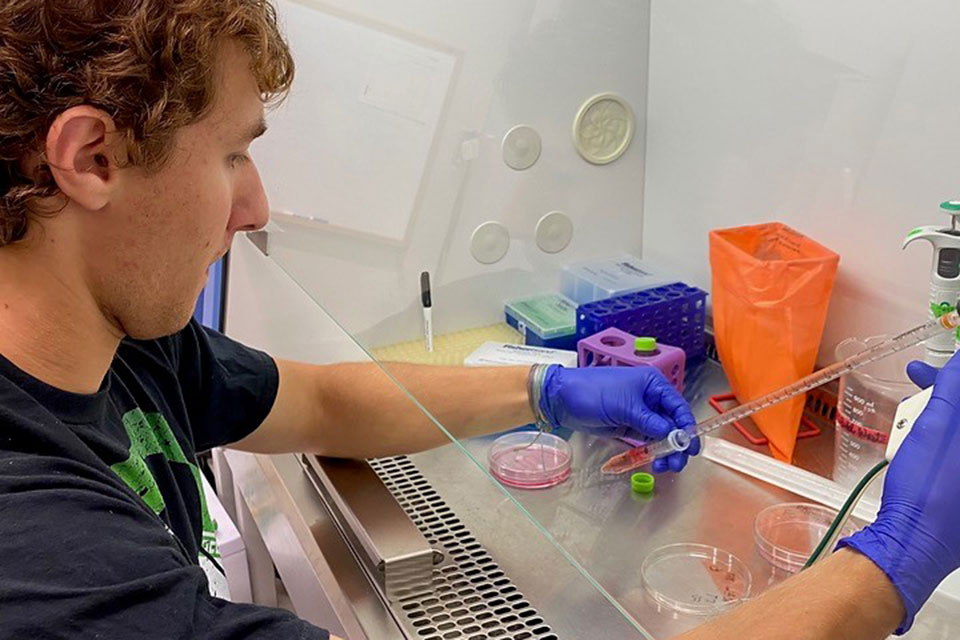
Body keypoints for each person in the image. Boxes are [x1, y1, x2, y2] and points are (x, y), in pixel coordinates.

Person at [0, 2, 956, 639]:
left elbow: (326, 398)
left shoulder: (124, 349)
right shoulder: (41, 554)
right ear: (91, 158)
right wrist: (889, 565)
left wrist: (545, 389)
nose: (253, 208)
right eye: (232, 158)